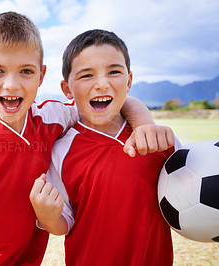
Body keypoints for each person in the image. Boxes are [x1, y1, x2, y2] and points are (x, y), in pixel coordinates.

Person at [0, 12, 174, 265]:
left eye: (26, 71)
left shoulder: (52, 116)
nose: (12, 85)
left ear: (41, 75)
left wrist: (143, 125)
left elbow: (112, 101)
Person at [30, 29, 181, 265]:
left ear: (129, 81)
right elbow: (64, 223)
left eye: (114, 72)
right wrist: (48, 217)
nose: (102, 84)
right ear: (67, 89)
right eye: (86, 75)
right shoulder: (62, 151)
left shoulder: (159, 138)